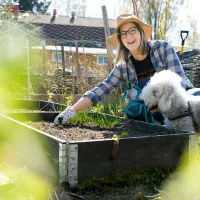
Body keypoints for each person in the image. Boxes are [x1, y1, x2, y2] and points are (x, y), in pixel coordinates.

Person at [54, 13, 200, 126]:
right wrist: (70, 112)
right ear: (121, 40)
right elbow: (101, 90)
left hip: (178, 104)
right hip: (152, 110)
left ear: (141, 32)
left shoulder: (162, 49)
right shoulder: (124, 66)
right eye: (123, 34)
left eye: (132, 30)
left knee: (197, 95)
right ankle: (156, 130)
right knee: (133, 108)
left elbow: (179, 83)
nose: (128, 36)